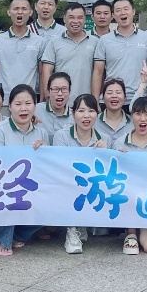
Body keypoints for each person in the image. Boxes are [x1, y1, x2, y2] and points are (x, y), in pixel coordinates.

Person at [0, 84, 49, 255]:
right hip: (4, 186)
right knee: (9, 195)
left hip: (31, 185)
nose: (23, 108)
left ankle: (17, 235)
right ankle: (2, 240)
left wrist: (45, 150)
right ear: (10, 106)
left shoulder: (41, 133)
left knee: (52, 202)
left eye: (28, 103)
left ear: (35, 106)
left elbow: (47, 166)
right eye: (18, 104)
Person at [52, 94, 108, 254]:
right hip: (69, 183)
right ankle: (72, 229)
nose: (86, 116)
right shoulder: (61, 136)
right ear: (73, 113)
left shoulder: (104, 139)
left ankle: (83, 224)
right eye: (81, 111)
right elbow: (59, 166)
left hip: (92, 185)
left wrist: (105, 153)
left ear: (97, 114)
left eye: (91, 111)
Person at [111, 96, 147, 254]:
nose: (143, 119)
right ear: (132, 116)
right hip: (127, 202)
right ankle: (131, 232)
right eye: (138, 114)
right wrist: (119, 159)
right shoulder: (120, 143)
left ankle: (146, 228)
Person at [91, 0, 147, 101]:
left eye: (126, 9)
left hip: (140, 98)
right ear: (113, 15)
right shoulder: (105, 40)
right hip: (112, 99)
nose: (122, 13)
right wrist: (95, 100)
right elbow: (98, 72)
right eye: (118, 10)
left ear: (133, 12)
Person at [0, 0, 45, 98]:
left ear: (31, 12)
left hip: (28, 101)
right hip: (3, 100)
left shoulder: (40, 42)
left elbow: (42, 74)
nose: (20, 12)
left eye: (24, 9)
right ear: (9, 12)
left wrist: (42, 100)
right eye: (15, 9)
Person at [40, 2, 98, 107]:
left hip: (87, 102)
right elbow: (46, 71)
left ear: (85, 19)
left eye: (80, 18)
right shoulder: (54, 42)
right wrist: (48, 95)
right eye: (71, 17)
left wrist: (95, 99)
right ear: (64, 19)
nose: (76, 21)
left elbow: (99, 72)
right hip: (60, 101)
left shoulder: (95, 42)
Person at [95, 77, 134, 146]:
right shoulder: (94, 121)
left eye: (118, 92)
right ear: (103, 98)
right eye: (109, 93)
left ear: (125, 97)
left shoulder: (133, 123)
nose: (114, 96)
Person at [35, 71, 73, 136]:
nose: (60, 93)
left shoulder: (74, 116)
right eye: (55, 89)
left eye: (64, 89)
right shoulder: (35, 110)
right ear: (48, 92)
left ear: (69, 91)